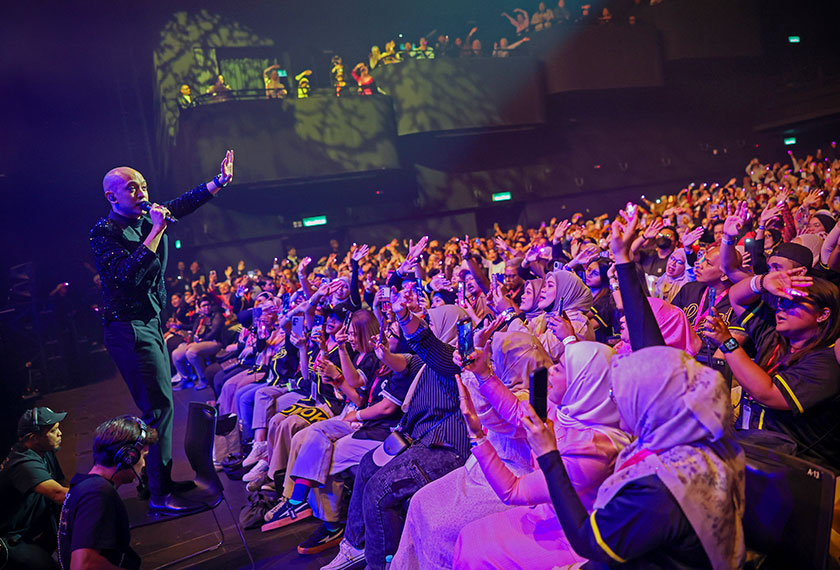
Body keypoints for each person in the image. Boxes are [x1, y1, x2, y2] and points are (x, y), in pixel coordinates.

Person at [90, 150, 234, 514]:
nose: (141, 192)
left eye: (143, 185)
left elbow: (180, 205)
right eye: (132, 188)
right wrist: (156, 230)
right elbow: (128, 274)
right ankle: (159, 494)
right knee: (158, 409)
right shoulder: (104, 232)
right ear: (112, 196)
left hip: (149, 322)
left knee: (162, 407)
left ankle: (162, 481)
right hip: (129, 328)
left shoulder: (143, 215)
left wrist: (217, 183)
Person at [57, 416, 158, 570]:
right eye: (143, 456)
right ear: (127, 458)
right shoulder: (97, 495)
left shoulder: (85, 486)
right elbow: (83, 566)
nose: (144, 464)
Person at [0, 408, 69, 570]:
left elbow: (62, 484)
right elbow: (58, 494)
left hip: (30, 527)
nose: (60, 433)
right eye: (53, 430)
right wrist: (96, 492)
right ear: (33, 438)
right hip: (7, 538)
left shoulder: (45, 451)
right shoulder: (23, 464)